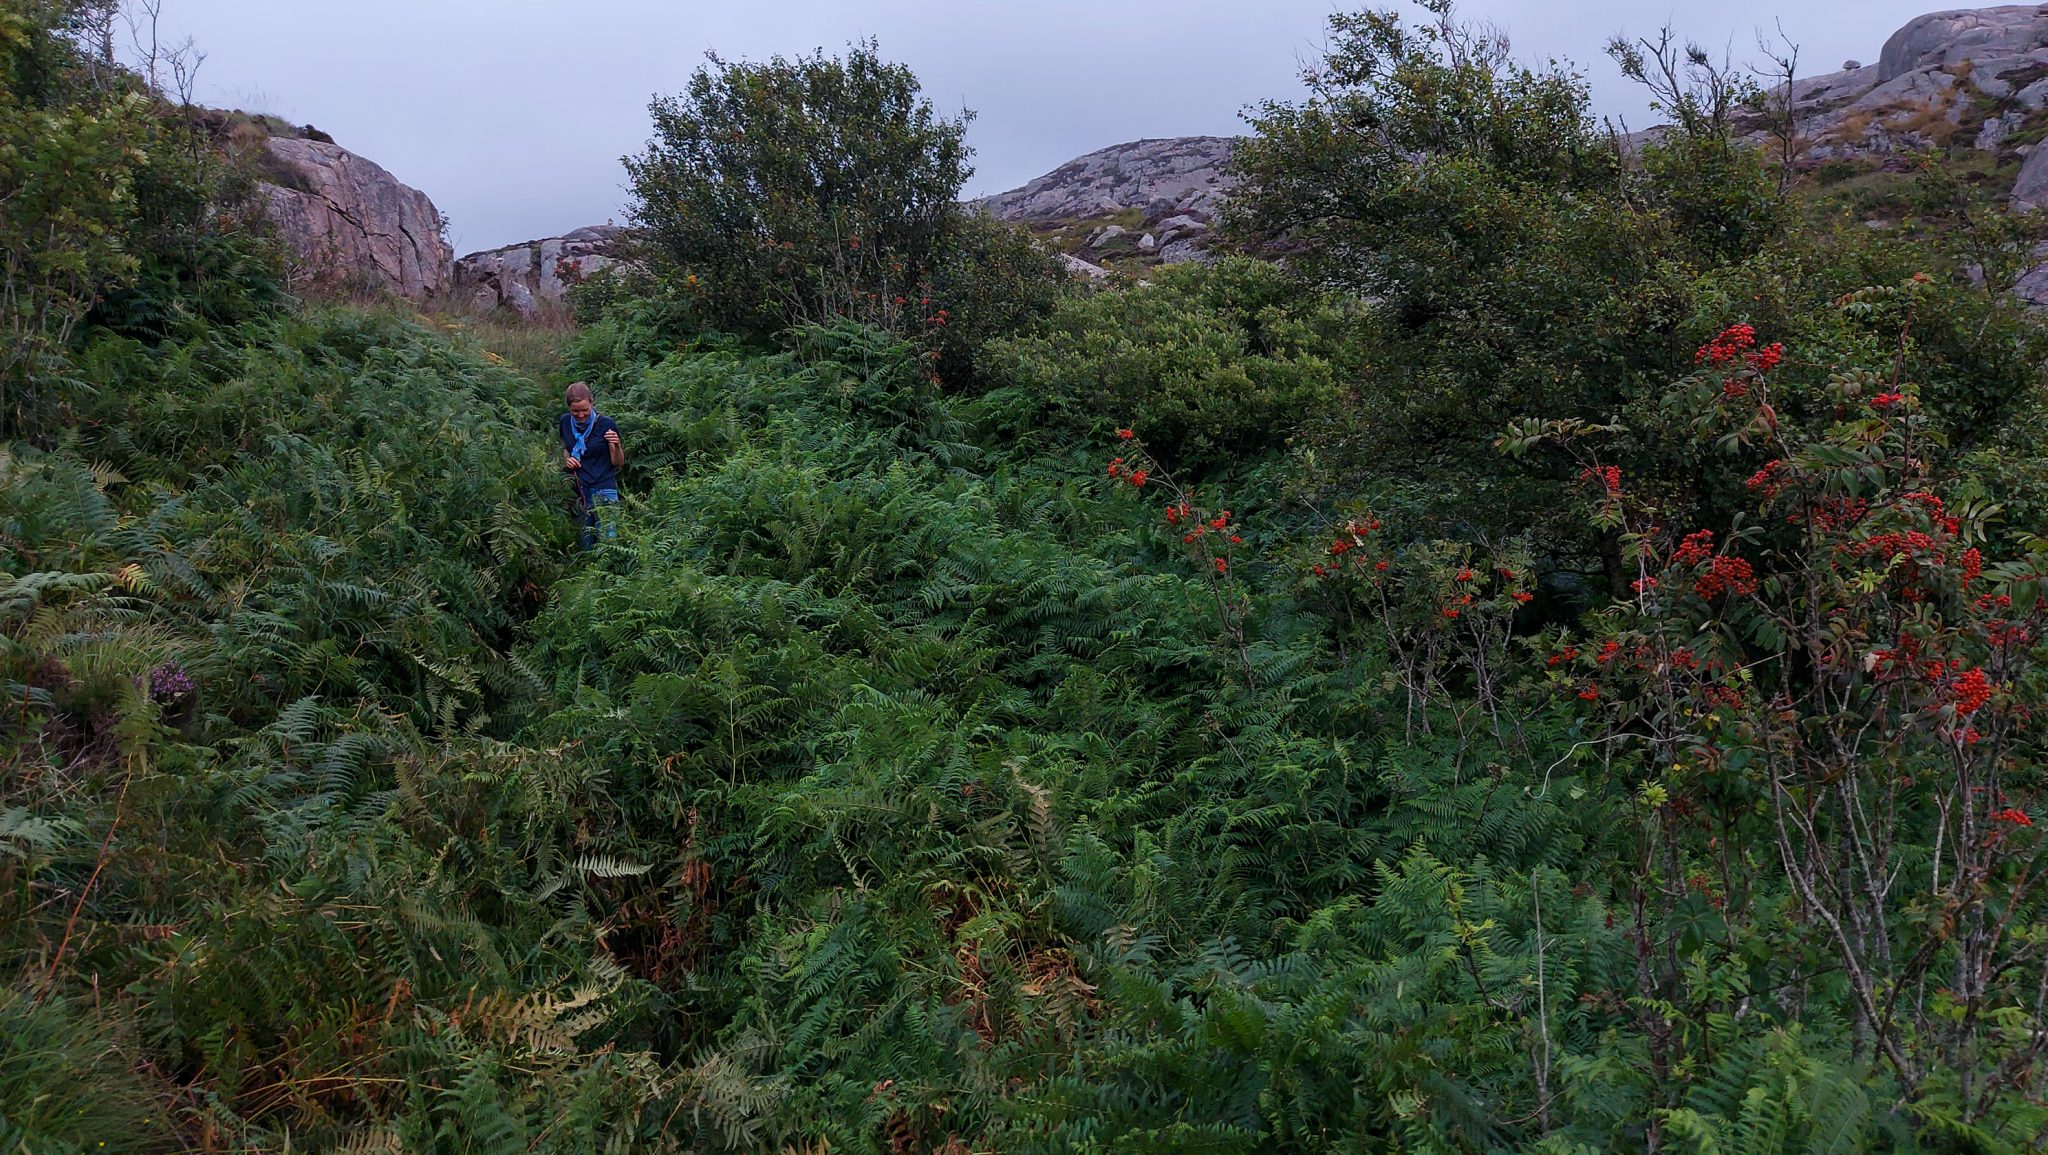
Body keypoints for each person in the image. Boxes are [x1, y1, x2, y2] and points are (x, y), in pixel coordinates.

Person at [559, 382, 623, 549]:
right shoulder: (565, 422)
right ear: (568, 408)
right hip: (579, 491)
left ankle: (609, 574)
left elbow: (618, 462)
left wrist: (616, 445)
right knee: (585, 543)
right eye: (575, 411)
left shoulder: (606, 424)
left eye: (584, 410)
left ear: (592, 403)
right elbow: (566, 448)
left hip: (604, 487)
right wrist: (567, 460)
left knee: (608, 542)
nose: (580, 415)